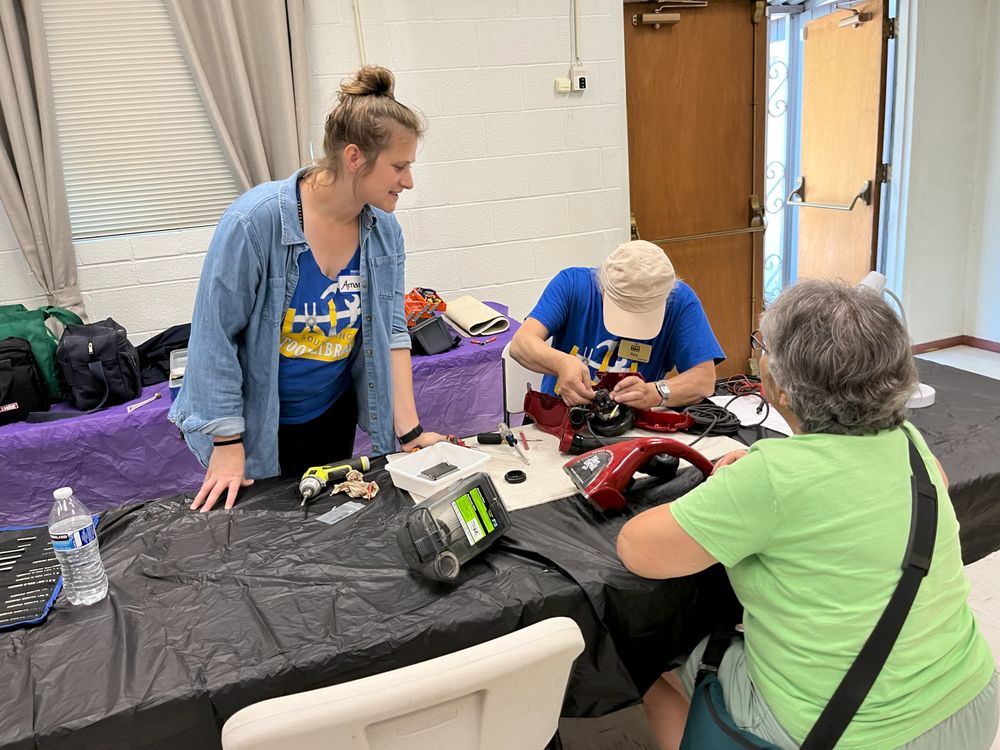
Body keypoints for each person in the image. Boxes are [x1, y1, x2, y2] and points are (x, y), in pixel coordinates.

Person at [617, 279, 998, 750]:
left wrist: (731, 490)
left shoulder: (771, 478)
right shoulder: (912, 444)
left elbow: (638, 550)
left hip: (850, 736)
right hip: (971, 699)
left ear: (779, 386)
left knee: (657, 671)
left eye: (764, 349)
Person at [169, 66, 444, 513]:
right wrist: (227, 441)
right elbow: (214, 336)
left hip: (329, 415)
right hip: (258, 425)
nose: (408, 181)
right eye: (399, 166)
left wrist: (410, 434)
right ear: (354, 157)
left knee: (323, 528)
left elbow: (392, 333)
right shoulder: (254, 223)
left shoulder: (384, 232)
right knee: (265, 538)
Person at [509, 240, 724, 410]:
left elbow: (704, 379)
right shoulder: (572, 285)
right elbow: (521, 344)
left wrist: (655, 392)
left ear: (668, 297)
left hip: (631, 426)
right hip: (559, 420)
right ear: (602, 285)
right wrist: (561, 363)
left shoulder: (681, 302)